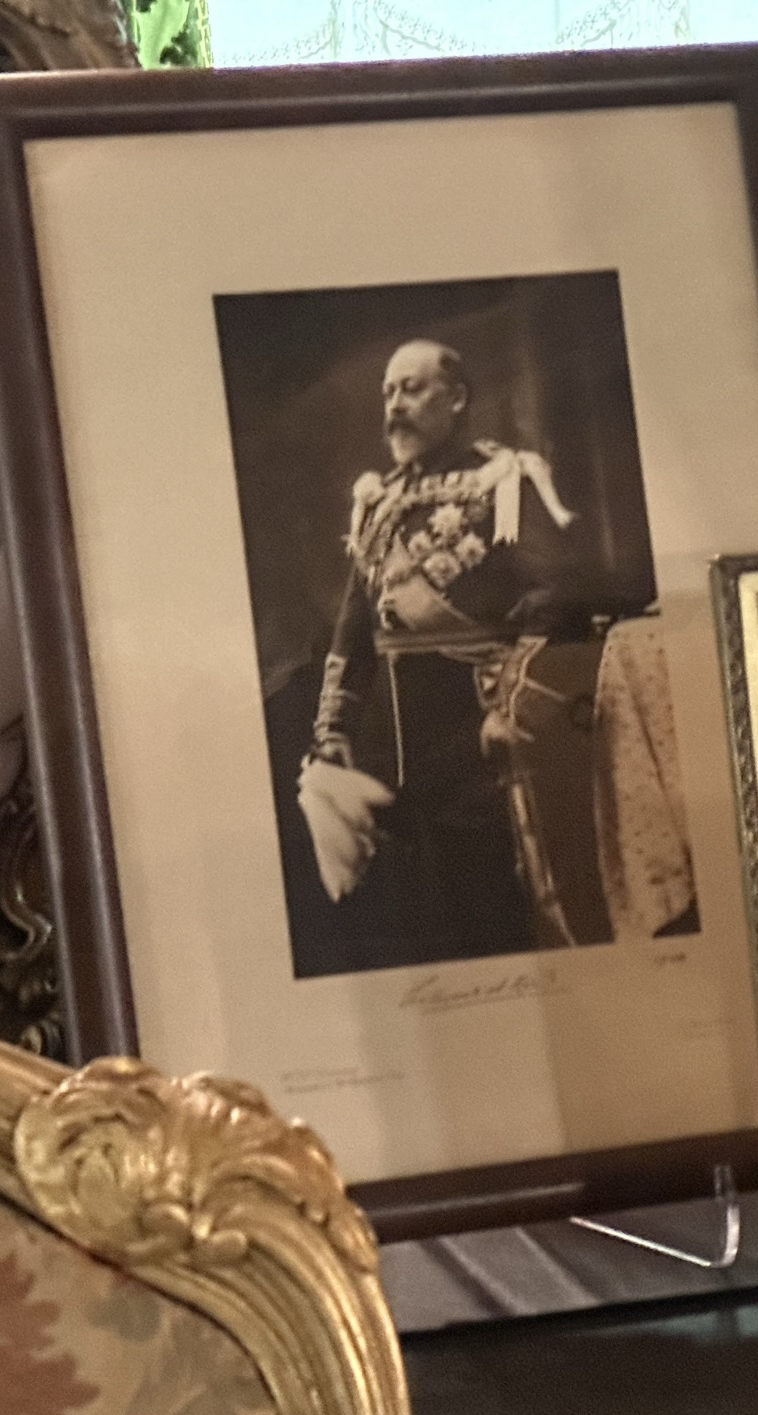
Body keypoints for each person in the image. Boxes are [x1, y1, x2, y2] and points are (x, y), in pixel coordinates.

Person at [294, 338, 601, 964]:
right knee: (423, 920)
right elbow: (354, 630)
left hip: (480, 733)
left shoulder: (502, 483)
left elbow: (559, 595)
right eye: (388, 391)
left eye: (412, 388)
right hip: (390, 747)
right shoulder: (378, 505)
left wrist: (513, 694)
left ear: (456, 398)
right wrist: (333, 726)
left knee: (495, 906)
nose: (395, 405)